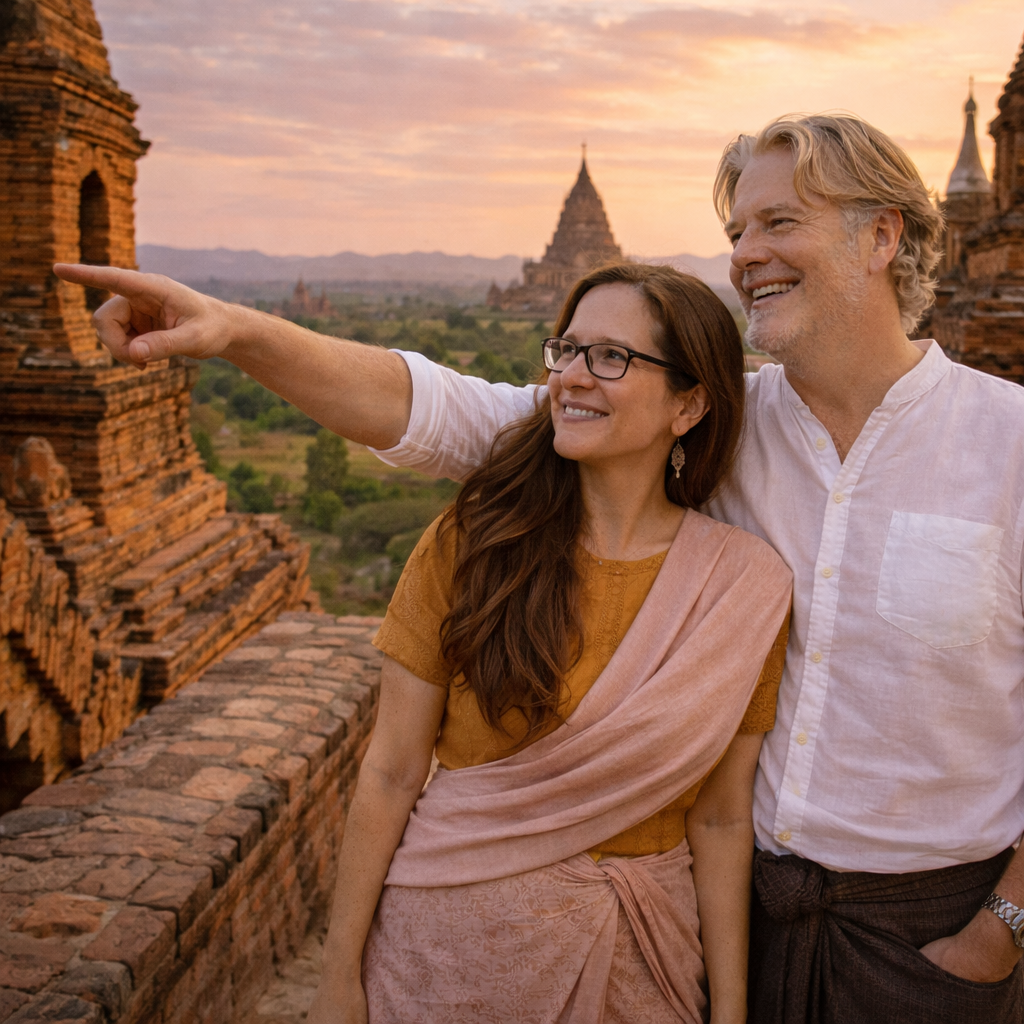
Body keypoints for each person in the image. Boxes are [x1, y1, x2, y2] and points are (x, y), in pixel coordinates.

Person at [54, 111, 1024, 1023]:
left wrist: (998, 932)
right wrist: (236, 332)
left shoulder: (1008, 444)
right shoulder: (709, 424)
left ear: (881, 236)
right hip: (736, 910)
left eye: (778, 222)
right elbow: (437, 411)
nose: (743, 254)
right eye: (737, 230)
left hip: (935, 927)